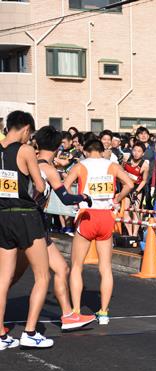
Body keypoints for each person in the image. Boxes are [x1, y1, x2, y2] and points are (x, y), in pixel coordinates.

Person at [11, 126, 96, 330]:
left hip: (20, 221)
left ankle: (68, 315)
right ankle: (46, 324)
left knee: (15, 274)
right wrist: (84, 197)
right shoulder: (48, 169)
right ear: (58, 147)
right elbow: (65, 198)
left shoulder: (28, 163)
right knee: (44, 274)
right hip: (34, 224)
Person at [64, 139, 133, 325]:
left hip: (87, 215)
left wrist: (75, 200)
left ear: (85, 152)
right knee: (106, 267)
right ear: (102, 151)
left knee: (77, 266)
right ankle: (103, 312)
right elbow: (130, 184)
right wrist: (117, 197)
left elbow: (64, 187)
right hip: (106, 216)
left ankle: (76, 310)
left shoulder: (80, 165)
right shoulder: (112, 165)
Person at [0, 111, 53, 349]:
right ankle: (30, 332)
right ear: (26, 129)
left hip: (2, 215)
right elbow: (40, 186)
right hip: (26, 215)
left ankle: (1, 336)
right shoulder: (26, 150)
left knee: (3, 278)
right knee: (42, 275)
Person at [122, 142, 149, 237]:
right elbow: (121, 171)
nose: (136, 153)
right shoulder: (126, 159)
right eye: (134, 150)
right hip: (126, 188)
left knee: (135, 211)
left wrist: (137, 191)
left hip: (137, 189)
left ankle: (134, 234)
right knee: (125, 211)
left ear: (143, 153)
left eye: (139, 151)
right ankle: (129, 234)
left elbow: (144, 180)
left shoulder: (144, 165)